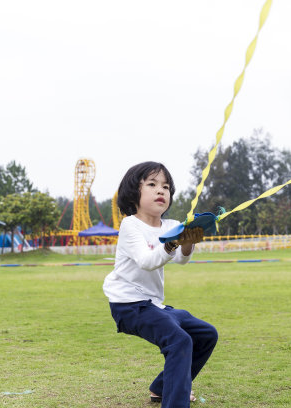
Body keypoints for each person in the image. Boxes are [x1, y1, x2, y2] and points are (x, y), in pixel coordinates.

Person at [103, 161, 218, 408]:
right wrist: (172, 243)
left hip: (153, 305)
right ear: (134, 192)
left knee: (206, 334)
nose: (161, 191)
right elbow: (147, 261)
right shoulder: (130, 225)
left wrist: (188, 241)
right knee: (180, 340)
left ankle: (162, 388)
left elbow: (181, 259)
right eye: (152, 185)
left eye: (166, 187)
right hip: (128, 306)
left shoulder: (169, 225)